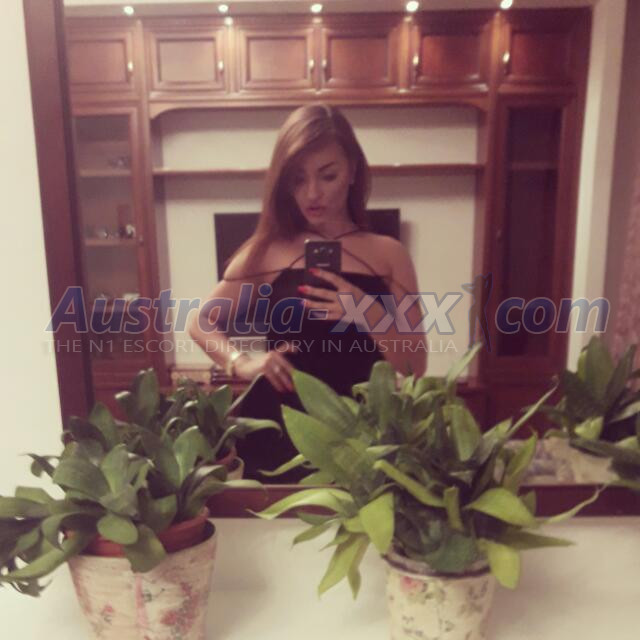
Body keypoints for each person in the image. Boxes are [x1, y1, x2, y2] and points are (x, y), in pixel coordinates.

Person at [189, 103, 427, 479]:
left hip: (360, 437)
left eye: (328, 175)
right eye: (297, 179)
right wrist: (242, 362)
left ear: (352, 170)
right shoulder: (268, 250)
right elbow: (200, 322)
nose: (312, 193)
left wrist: (369, 313)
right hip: (277, 430)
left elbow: (414, 365)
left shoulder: (388, 256)